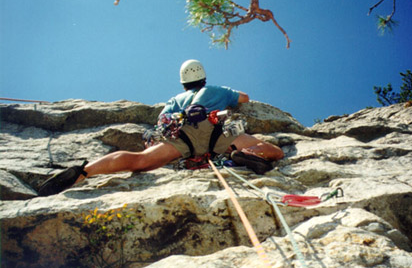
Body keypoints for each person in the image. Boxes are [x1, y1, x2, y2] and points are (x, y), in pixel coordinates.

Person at [38, 60, 284, 196]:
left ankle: (84, 171)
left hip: (183, 137)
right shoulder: (217, 90)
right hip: (217, 132)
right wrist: (227, 93)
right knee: (273, 150)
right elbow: (245, 98)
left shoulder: (175, 99)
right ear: (203, 78)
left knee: (140, 161)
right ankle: (244, 156)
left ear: (184, 82)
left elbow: (162, 123)